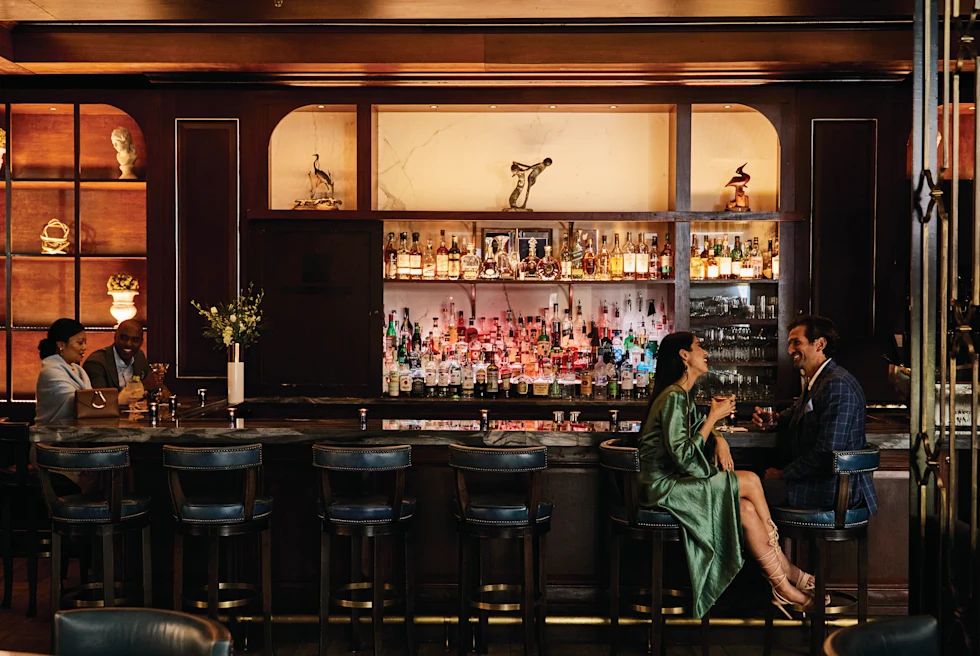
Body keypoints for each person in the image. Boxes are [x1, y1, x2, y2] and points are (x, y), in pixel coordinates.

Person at [633, 332, 821, 618]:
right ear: (684, 356)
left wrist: (718, 435)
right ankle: (785, 570)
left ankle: (782, 586)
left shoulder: (682, 394)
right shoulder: (673, 396)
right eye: (700, 347)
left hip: (673, 483)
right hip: (662, 488)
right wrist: (713, 418)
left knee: (746, 509)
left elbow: (695, 432)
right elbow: (683, 456)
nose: (705, 352)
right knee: (751, 480)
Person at [755, 315, 878, 515]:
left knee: (742, 493)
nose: (789, 350)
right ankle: (771, 546)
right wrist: (775, 419)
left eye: (796, 343)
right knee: (746, 491)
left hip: (833, 490)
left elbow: (826, 453)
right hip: (819, 483)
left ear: (820, 344)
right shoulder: (820, 380)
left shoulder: (837, 384)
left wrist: (783, 474)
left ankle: (771, 546)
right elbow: (799, 411)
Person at [35, 319, 92, 424]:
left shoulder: (79, 370)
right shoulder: (50, 371)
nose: (85, 347)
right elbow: (73, 402)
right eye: (80, 342)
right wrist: (116, 400)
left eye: (85, 342)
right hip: (51, 435)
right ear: (61, 344)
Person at [83, 319, 160, 392]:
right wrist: (142, 386)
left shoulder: (139, 356)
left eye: (135, 340)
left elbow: (152, 382)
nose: (128, 344)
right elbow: (102, 401)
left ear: (141, 342)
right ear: (115, 336)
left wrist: (162, 390)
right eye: (124, 338)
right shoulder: (96, 363)